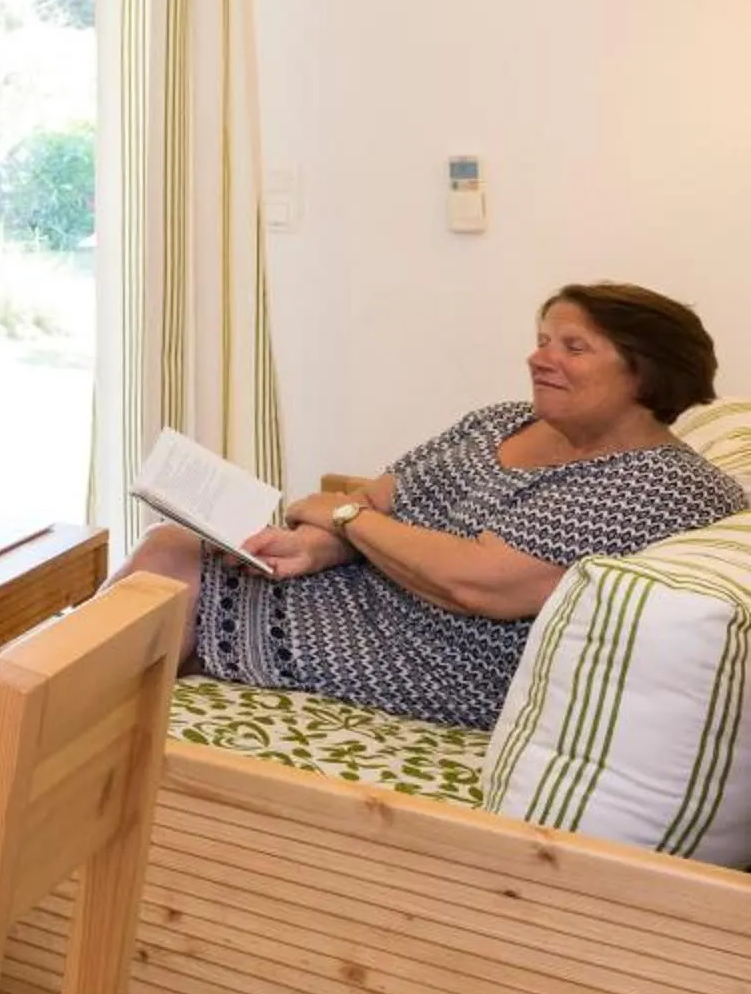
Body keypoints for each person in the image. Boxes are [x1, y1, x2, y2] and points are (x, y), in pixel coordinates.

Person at [118, 282, 747, 731]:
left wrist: (344, 520)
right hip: (366, 595)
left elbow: (475, 581)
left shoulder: (664, 484)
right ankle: (64, 720)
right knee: (171, 549)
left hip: (437, 655)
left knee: (169, 576)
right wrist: (314, 546)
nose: (538, 357)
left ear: (648, 375)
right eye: (541, 339)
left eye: (572, 347)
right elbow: (379, 496)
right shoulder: (501, 421)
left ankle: (56, 728)